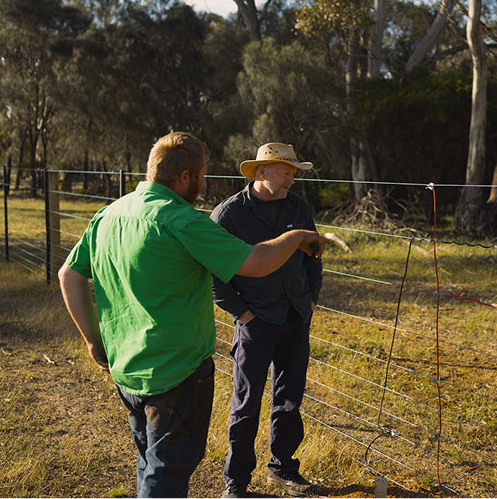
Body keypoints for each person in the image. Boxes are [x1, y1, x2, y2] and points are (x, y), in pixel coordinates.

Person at [58, 132, 328, 499]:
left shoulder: (111, 213)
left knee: (150, 463)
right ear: (185, 176)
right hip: (176, 373)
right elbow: (254, 262)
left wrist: (93, 341)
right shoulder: (182, 220)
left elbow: (69, 275)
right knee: (167, 473)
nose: (203, 183)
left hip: (127, 370)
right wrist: (296, 237)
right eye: (201, 174)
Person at [211, 143, 323, 499]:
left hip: (294, 318)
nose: (292, 179)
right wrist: (243, 314)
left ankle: (283, 469)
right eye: (285, 172)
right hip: (255, 323)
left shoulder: (299, 207)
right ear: (261, 172)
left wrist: (310, 300)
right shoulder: (229, 215)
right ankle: (237, 482)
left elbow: (313, 253)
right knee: (246, 403)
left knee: (289, 400)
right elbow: (214, 274)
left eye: (293, 172)